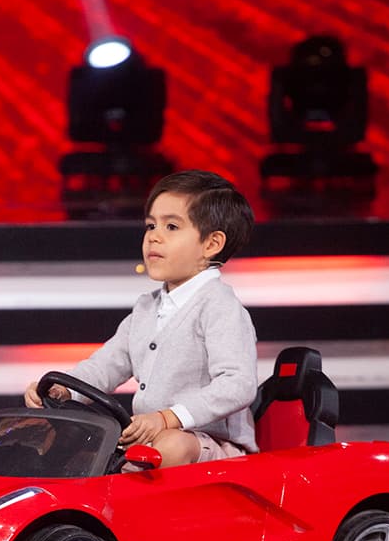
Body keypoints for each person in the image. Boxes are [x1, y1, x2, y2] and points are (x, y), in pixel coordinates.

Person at [25, 169, 258, 468]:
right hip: (149, 441)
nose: (154, 237)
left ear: (211, 244)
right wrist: (65, 389)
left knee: (171, 445)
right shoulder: (147, 308)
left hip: (212, 447)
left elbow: (237, 384)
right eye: (151, 226)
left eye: (171, 226)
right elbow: (105, 366)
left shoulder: (219, 306)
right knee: (75, 442)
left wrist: (168, 418)